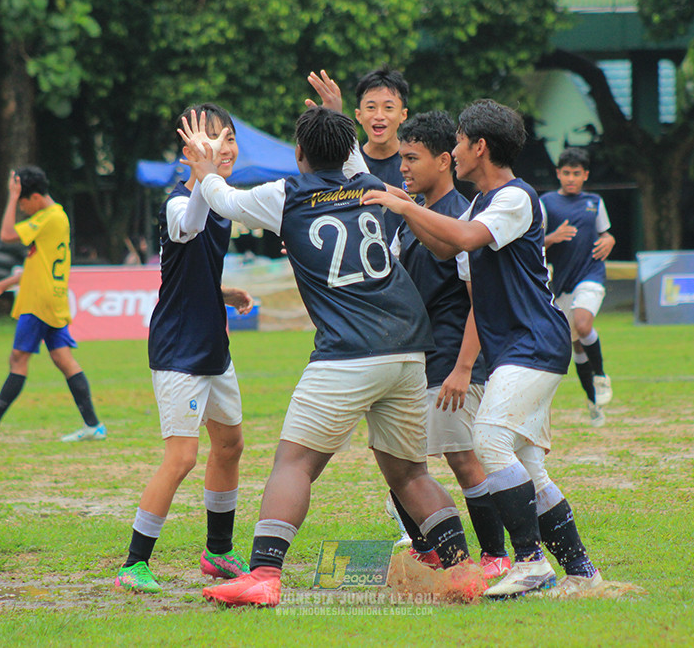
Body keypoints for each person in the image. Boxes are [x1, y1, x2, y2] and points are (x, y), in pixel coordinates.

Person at [182, 105, 486, 608]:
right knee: (411, 474)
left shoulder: (288, 194)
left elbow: (224, 200)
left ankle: (263, 574)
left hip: (348, 352)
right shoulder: (372, 185)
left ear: (299, 153)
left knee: (294, 464)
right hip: (409, 348)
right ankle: (462, 570)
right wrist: (337, 117)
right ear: (349, 147)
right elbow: (344, 160)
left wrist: (204, 165)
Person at [363, 99, 603, 599]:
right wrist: (400, 201)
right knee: (527, 468)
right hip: (518, 346)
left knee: (489, 440)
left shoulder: (514, 198)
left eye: (457, 142)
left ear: (479, 147)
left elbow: (467, 237)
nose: (452, 150)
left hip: (534, 341)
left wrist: (406, 207)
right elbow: (448, 246)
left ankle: (530, 562)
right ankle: (582, 571)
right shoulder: (481, 202)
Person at [113, 104, 255, 594]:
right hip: (178, 348)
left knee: (231, 444)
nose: (225, 149)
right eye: (211, 141)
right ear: (189, 151)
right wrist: (203, 176)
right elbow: (188, 226)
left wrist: (224, 292)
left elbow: (192, 268)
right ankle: (133, 565)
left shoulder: (221, 198)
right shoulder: (178, 202)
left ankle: (218, 554)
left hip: (213, 342)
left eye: (229, 139)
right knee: (182, 457)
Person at [382, 110, 510, 580]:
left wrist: (462, 368)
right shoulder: (407, 220)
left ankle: (496, 555)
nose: (404, 168)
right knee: (399, 461)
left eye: (412, 158)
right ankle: (427, 550)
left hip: (453, 361)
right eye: (401, 159)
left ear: (443, 160)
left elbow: (481, 301)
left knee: (462, 458)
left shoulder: (463, 218)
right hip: (412, 362)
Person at [0, 167, 105, 443]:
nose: (22, 208)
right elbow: (36, 266)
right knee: (63, 359)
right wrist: (3, 285)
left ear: (34, 196)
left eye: (23, 202)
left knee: (18, 360)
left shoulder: (48, 217)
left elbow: (7, 234)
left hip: (38, 302)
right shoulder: (56, 217)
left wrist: (11, 196)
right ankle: (93, 425)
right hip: (51, 298)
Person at [540, 147, 615, 427]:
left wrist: (610, 240)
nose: (571, 178)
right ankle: (593, 401)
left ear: (585, 175)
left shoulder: (594, 202)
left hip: (591, 275)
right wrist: (553, 237)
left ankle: (602, 375)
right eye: (566, 173)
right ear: (558, 174)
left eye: (577, 173)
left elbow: (604, 233)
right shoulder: (546, 202)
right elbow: (533, 242)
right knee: (576, 347)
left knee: (583, 326)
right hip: (561, 283)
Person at [354, 65, 412, 239]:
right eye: (371, 107)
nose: (379, 115)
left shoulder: (417, 164)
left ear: (403, 115)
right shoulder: (349, 166)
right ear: (359, 115)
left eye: (388, 108)